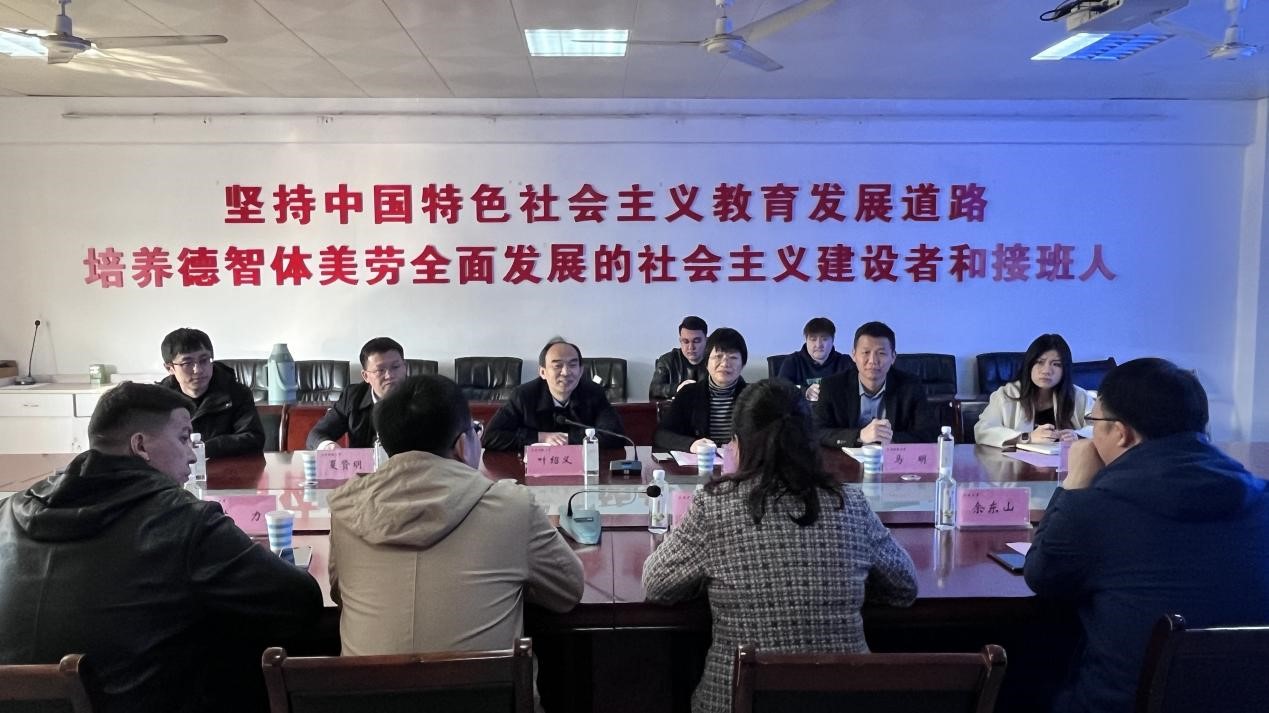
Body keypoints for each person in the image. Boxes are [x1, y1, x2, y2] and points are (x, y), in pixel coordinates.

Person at [0, 382, 322, 713]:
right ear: (140, 445)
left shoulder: (11, 510)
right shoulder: (183, 519)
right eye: (183, 438)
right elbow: (301, 600)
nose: (192, 454)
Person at [643, 379, 918, 713]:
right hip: (844, 700)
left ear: (738, 444)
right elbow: (905, 586)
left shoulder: (715, 506)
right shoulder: (849, 502)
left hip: (735, 702)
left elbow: (657, 583)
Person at [1024, 358, 1269, 713]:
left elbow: (1041, 574)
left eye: (1094, 423)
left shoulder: (1096, 510)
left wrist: (1074, 482)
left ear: (1121, 433)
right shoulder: (1262, 499)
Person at [328, 374, 584, 655]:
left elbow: (342, 595)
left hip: (364, 685)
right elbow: (568, 591)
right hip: (487, 685)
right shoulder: (513, 507)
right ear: (463, 445)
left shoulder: (347, 510)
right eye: (475, 430)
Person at [482, 338, 626, 451]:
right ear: (543, 372)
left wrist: (566, 439)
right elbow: (491, 437)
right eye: (557, 365)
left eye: (572, 365)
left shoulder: (594, 393)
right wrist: (541, 437)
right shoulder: (524, 396)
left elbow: (616, 436)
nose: (566, 372)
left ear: (581, 371)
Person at [812, 321, 937, 447]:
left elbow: (930, 433)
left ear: (893, 357)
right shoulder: (831, 386)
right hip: (845, 458)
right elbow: (817, 431)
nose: (872, 361)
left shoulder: (910, 386)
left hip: (892, 457)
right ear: (854, 355)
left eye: (881, 353)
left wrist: (889, 437)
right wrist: (860, 435)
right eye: (866, 352)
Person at [158, 327, 264, 457]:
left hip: (224, 467)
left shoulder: (237, 393)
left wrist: (204, 448)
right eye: (187, 363)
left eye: (204, 360)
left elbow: (253, 439)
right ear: (170, 368)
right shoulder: (159, 400)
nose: (198, 370)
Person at [974, 334, 1093, 447]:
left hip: (1066, 460)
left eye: (1056, 364)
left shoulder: (1079, 396)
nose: (1046, 370)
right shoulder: (1007, 394)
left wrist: (1078, 435)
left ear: (1065, 370)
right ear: (1029, 365)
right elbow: (983, 430)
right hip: (1015, 461)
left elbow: (1100, 427)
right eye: (1040, 362)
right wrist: (1027, 437)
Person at [654, 327, 748, 453]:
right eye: (718, 356)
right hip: (701, 463)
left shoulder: (754, 396)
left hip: (741, 464)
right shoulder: (688, 393)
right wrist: (691, 444)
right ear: (706, 362)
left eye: (733, 358)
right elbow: (661, 435)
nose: (725, 363)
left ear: (743, 364)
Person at [307, 337, 407, 449]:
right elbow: (316, 434)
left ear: (405, 366)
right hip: (364, 461)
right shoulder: (353, 396)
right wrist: (328, 446)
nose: (390, 375)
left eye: (395, 367)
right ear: (366, 376)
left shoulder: (420, 395)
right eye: (380, 370)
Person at [776, 316, 853, 400]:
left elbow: (856, 389)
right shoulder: (793, 361)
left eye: (824, 339)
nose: (819, 345)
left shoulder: (845, 362)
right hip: (802, 408)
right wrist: (804, 392)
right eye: (813, 339)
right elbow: (780, 389)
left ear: (833, 340)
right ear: (806, 340)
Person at [649, 315, 709, 399]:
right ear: (680, 341)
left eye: (696, 341)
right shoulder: (667, 360)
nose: (691, 347)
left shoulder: (715, 360)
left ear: (706, 340)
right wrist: (678, 388)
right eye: (686, 341)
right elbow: (654, 390)